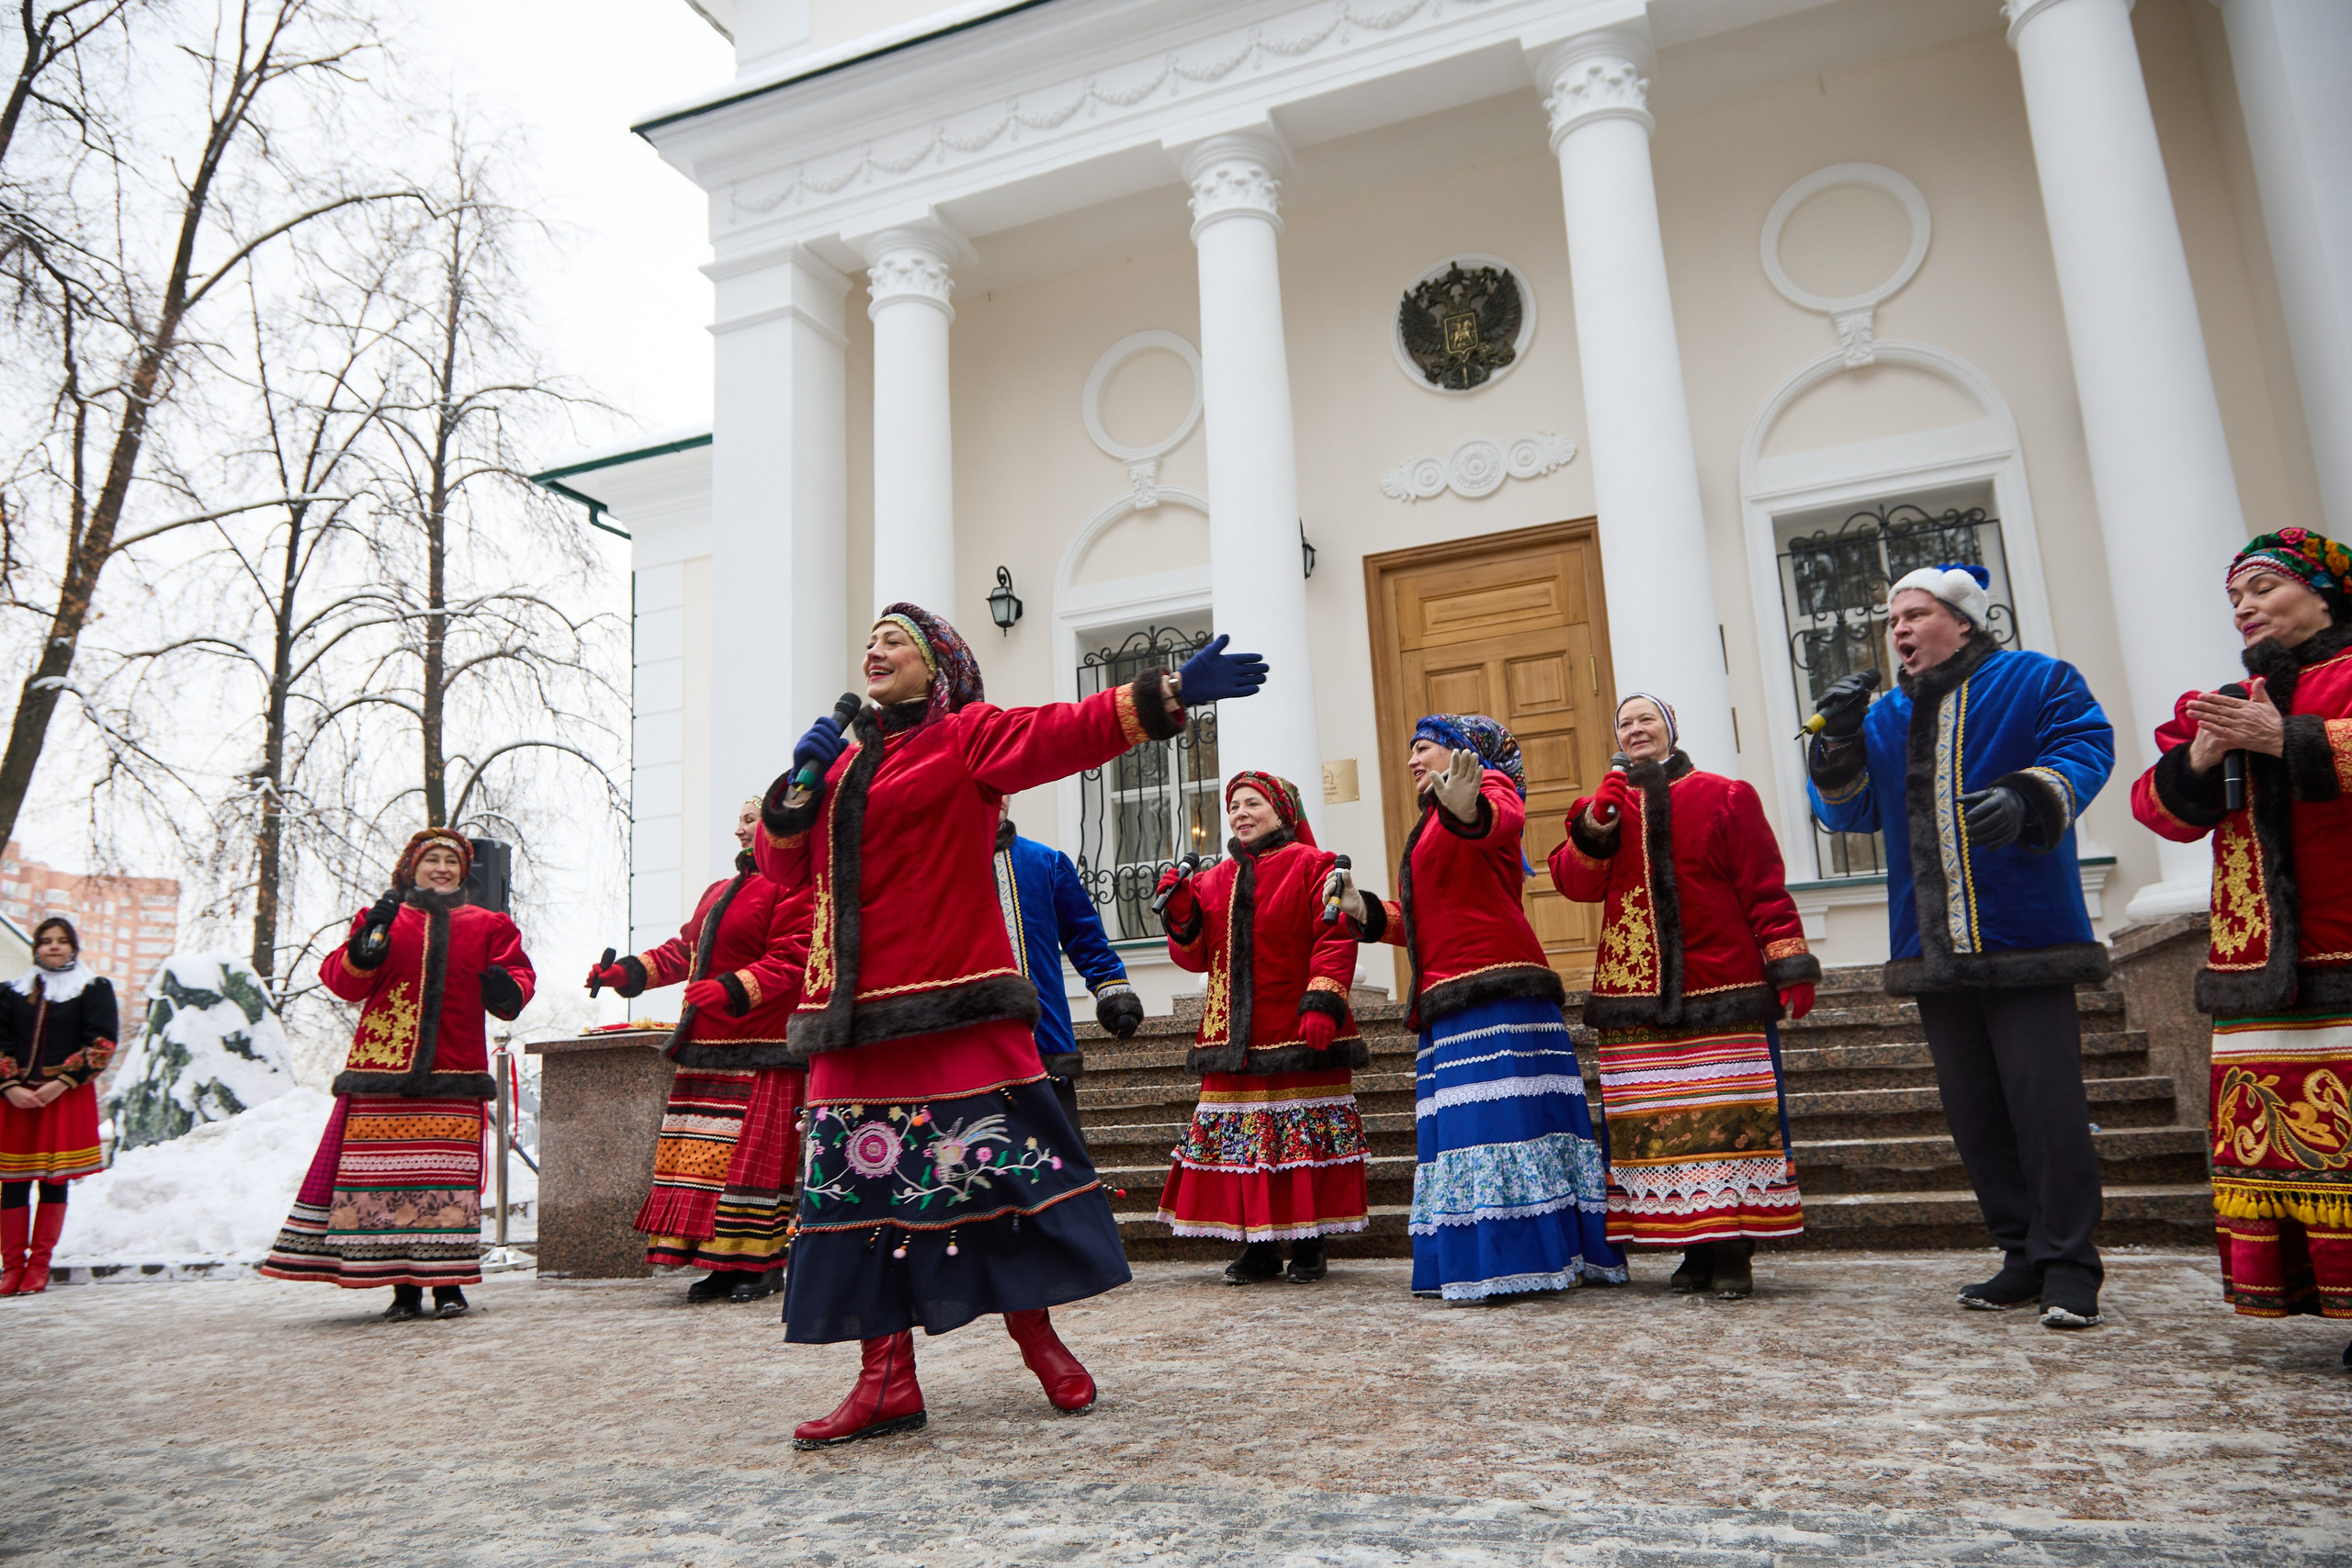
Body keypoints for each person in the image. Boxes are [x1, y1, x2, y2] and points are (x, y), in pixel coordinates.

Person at [761, 608, 1265, 1447]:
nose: (875, 650)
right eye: (871, 640)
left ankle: (1040, 1340)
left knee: (998, 1177)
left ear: (939, 668)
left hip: (954, 1000)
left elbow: (1064, 732)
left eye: (898, 642)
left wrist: (1168, 693)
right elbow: (781, 869)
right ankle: (883, 1377)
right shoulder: (841, 767)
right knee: (857, 1199)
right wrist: (801, 780)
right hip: (850, 1020)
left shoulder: (968, 737)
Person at [1808, 563, 2115, 1328]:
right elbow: (1849, 816)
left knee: (2046, 1106)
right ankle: (2019, 1253)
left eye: (1913, 614)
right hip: (1931, 944)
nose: (1899, 630)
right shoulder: (1886, 717)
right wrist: (1839, 741)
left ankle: (2070, 1264)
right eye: (1892, 622)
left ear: (1965, 621)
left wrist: (2027, 794)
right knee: (1975, 1112)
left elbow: (2088, 745)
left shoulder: (2038, 678)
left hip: (2025, 933)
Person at [2129, 527, 2352, 1361]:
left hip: (2345, 944)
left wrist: (2284, 738)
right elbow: (2156, 809)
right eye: (2234, 597)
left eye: (2262, 587)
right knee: (2297, 1150)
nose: (2246, 606)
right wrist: (2205, 751)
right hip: (2259, 965)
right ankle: (2326, 1298)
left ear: (2323, 590)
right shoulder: (2234, 693)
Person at [1327, 714, 1619, 1302]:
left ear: (1464, 755)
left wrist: (1471, 809)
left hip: (1495, 992)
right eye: (1410, 750)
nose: (1412, 760)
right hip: (1450, 992)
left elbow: (1502, 822)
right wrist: (1367, 912)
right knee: (1475, 1135)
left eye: (1425, 748)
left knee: (1495, 1128)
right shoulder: (1433, 820)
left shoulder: (1486, 791)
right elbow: (1429, 921)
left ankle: (1520, 1259)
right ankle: (1490, 1255)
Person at [1552, 695, 1816, 1299]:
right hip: (1634, 992)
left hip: (1720, 983)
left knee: (1728, 1125)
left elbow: (1764, 884)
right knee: (1661, 1127)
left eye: (1647, 718)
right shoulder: (1604, 809)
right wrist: (1596, 822)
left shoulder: (1726, 795)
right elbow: (1574, 883)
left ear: (1670, 730)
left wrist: (1788, 961)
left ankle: (1732, 1252)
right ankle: (1691, 1247)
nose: (1635, 728)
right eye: (1625, 721)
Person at [260, 829, 536, 1321]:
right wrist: (365, 948)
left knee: (447, 1184)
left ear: (462, 871)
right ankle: (401, 1290)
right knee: (386, 1185)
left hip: (455, 1071)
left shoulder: (488, 924)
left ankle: (448, 1285)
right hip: (382, 1074)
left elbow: (517, 979)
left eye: (452, 861)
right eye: (432, 859)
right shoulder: (382, 918)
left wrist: (505, 985)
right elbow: (343, 983)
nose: (442, 868)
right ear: (412, 867)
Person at [589, 797, 813, 1303]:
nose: (739, 829)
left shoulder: (795, 886)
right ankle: (718, 1262)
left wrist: (733, 988)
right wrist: (626, 973)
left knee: (753, 1161)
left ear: (776, 828)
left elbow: (793, 958)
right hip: (707, 1044)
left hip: (764, 1046)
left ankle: (760, 1263)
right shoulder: (718, 891)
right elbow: (685, 950)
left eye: (750, 819)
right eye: (738, 820)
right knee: (704, 1163)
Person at [1154, 771, 1369, 1285]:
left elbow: (1336, 932)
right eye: (1233, 806)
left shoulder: (1316, 866)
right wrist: (1180, 914)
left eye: (1252, 803)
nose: (1240, 813)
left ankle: (1310, 1244)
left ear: (1281, 812)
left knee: (1298, 1141)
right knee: (1247, 1145)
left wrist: (1324, 1001)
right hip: (1232, 1036)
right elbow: (1195, 958)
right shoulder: (1211, 880)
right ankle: (1258, 1247)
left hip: (1298, 1027)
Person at [993, 817, 1147, 1149]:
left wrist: (1114, 994)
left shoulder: (1045, 862)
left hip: (1043, 1042)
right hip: (968, 1049)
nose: (996, 796)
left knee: (1057, 1161)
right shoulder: (939, 866)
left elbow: (1086, 939)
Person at [0, 919, 119, 1296]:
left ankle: (39, 1266)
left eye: (63, 941)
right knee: (13, 1183)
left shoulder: (92, 989)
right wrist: (9, 1086)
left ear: (74, 948)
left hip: (64, 1096)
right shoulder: (11, 992)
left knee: (54, 1181)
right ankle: (11, 1267)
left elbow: (102, 1043)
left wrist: (61, 1083)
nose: (54, 947)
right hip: (16, 1099)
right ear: (36, 948)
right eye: (47, 941)